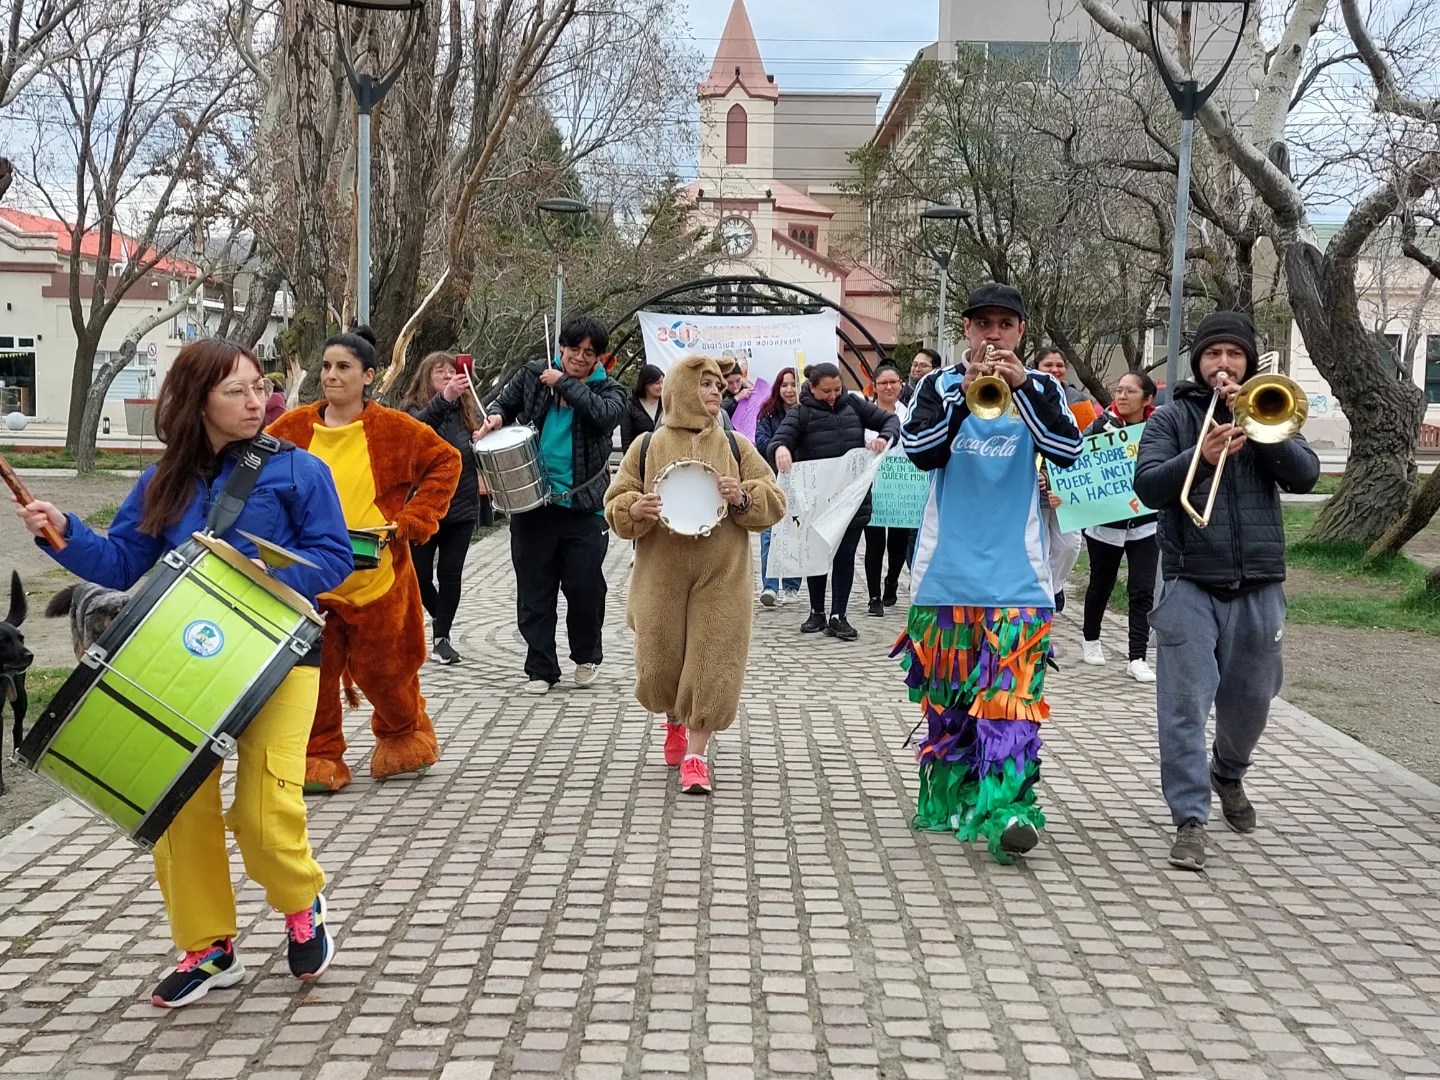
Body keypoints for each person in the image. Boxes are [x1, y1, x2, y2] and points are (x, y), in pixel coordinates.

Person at [11, 338, 354, 1006]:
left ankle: (301, 904)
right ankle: (209, 947)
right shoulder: (162, 480)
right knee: (178, 807)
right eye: (236, 391)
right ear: (198, 401)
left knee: (263, 813)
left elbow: (334, 558)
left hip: (280, 658)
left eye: (260, 386)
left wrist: (262, 568)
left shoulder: (298, 471)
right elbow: (121, 561)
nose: (256, 401)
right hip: (186, 660)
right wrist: (62, 529)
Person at [894, 283, 1083, 864]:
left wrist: (1021, 388)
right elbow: (920, 451)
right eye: (983, 324)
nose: (993, 335)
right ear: (966, 329)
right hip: (945, 579)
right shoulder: (935, 384)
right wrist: (963, 393)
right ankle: (954, 800)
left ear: (1020, 331)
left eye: (1004, 324)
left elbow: (1068, 451)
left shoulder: (1043, 387)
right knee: (950, 707)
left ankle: (1009, 813)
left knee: (1010, 705)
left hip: (1019, 582)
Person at [1133, 311, 1318, 872]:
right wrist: (1201, 456)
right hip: (1188, 579)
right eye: (1213, 354)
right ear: (1198, 362)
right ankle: (1190, 818)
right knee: (1183, 709)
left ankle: (1229, 772)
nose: (1223, 364)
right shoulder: (1171, 417)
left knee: (1253, 702)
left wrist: (1261, 432)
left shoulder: (1269, 408)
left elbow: (1305, 476)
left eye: (1234, 355)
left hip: (1259, 580)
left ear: (1248, 362)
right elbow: (1148, 486)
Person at [269, 327, 461, 793]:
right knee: (312, 675)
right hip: (310, 583)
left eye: (343, 367)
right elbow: (254, 473)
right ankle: (318, 753)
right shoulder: (291, 429)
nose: (331, 376)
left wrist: (415, 518)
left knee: (386, 671)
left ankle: (404, 732)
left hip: (377, 579)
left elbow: (446, 460)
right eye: (326, 366)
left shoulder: (394, 429)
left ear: (369, 376)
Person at [604, 354, 785, 794]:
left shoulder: (737, 446)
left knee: (715, 658)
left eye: (718, 385)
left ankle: (696, 755)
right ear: (680, 388)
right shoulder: (645, 446)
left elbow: (774, 499)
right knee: (659, 663)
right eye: (704, 384)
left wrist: (743, 497)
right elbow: (616, 499)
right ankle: (673, 719)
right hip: (660, 572)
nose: (714, 392)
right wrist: (633, 509)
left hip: (722, 572)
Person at [476, 315, 626, 693]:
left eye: (589, 352)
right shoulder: (533, 374)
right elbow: (504, 402)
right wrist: (495, 418)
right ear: (561, 347)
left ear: (598, 358)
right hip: (533, 504)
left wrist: (563, 383)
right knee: (534, 591)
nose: (579, 357)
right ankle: (540, 668)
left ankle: (586, 655)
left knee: (585, 587)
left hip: (585, 508)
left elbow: (603, 416)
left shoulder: (610, 391)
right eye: (574, 348)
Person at [770, 361, 901, 641]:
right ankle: (816, 611)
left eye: (837, 390)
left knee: (845, 556)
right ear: (812, 388)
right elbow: (779, 439)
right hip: (817, 501)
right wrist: (781, 449)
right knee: (817, 556)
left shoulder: (853, 404)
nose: (832, 396)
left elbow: (890, 421)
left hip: (851, 500)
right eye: (826, 391)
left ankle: (838, 615)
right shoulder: (800, 413)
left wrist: (884, 437)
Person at [400, 351, 485, 666]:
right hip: (424, 507)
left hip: (462, 506)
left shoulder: (468, 411)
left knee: (450, 573)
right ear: (426, 377)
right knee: (419, 575)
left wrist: (484, 435)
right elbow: (417, 433)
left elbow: (477, 450)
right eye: (440, 372)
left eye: (453, 372)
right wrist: (444, 399)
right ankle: (440, 615)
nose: (449, 377)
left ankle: (442, 637)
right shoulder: (413, 409)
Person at [1081, 371, 1160, 683]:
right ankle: (1091, 638)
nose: (1123, 396)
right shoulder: (1099, 427)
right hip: (1105, 524)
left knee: (1142, 588)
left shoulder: (1157, 429)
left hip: (1146, 523)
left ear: (1147, 398)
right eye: (1119, 390)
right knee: (1101, 583)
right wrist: (1063, 494)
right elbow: (1076, 468)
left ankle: (1137, 657)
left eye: (1130, 391)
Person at [862, 363, 914, 617]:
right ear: (874, 386)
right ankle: (874, 596)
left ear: (901, 385)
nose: (889, 387)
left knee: (898, 543)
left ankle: (892, 580)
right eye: (883, 383)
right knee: (874, 544)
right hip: (872, 485)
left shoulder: (911, 414)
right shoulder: (864, 415)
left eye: (893, 382)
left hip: (902, 485)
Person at [753, 367, 802, 606]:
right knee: (769, 534)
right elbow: (761, 441)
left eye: (793, 384)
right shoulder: (767, 413)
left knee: (795, 532)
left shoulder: (807, 412)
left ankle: (792, 586)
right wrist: (780, 449)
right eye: (784, 385)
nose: (789, 390)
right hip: (772, 479)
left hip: (800, 482)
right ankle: (769, 586)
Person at [621, 364, 664, 452]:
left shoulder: (667, 404)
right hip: (640, 455)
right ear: (645, 383)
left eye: (662, 382)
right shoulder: (630, 406)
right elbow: (626, 440)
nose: (661, 386)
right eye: (657, 383)